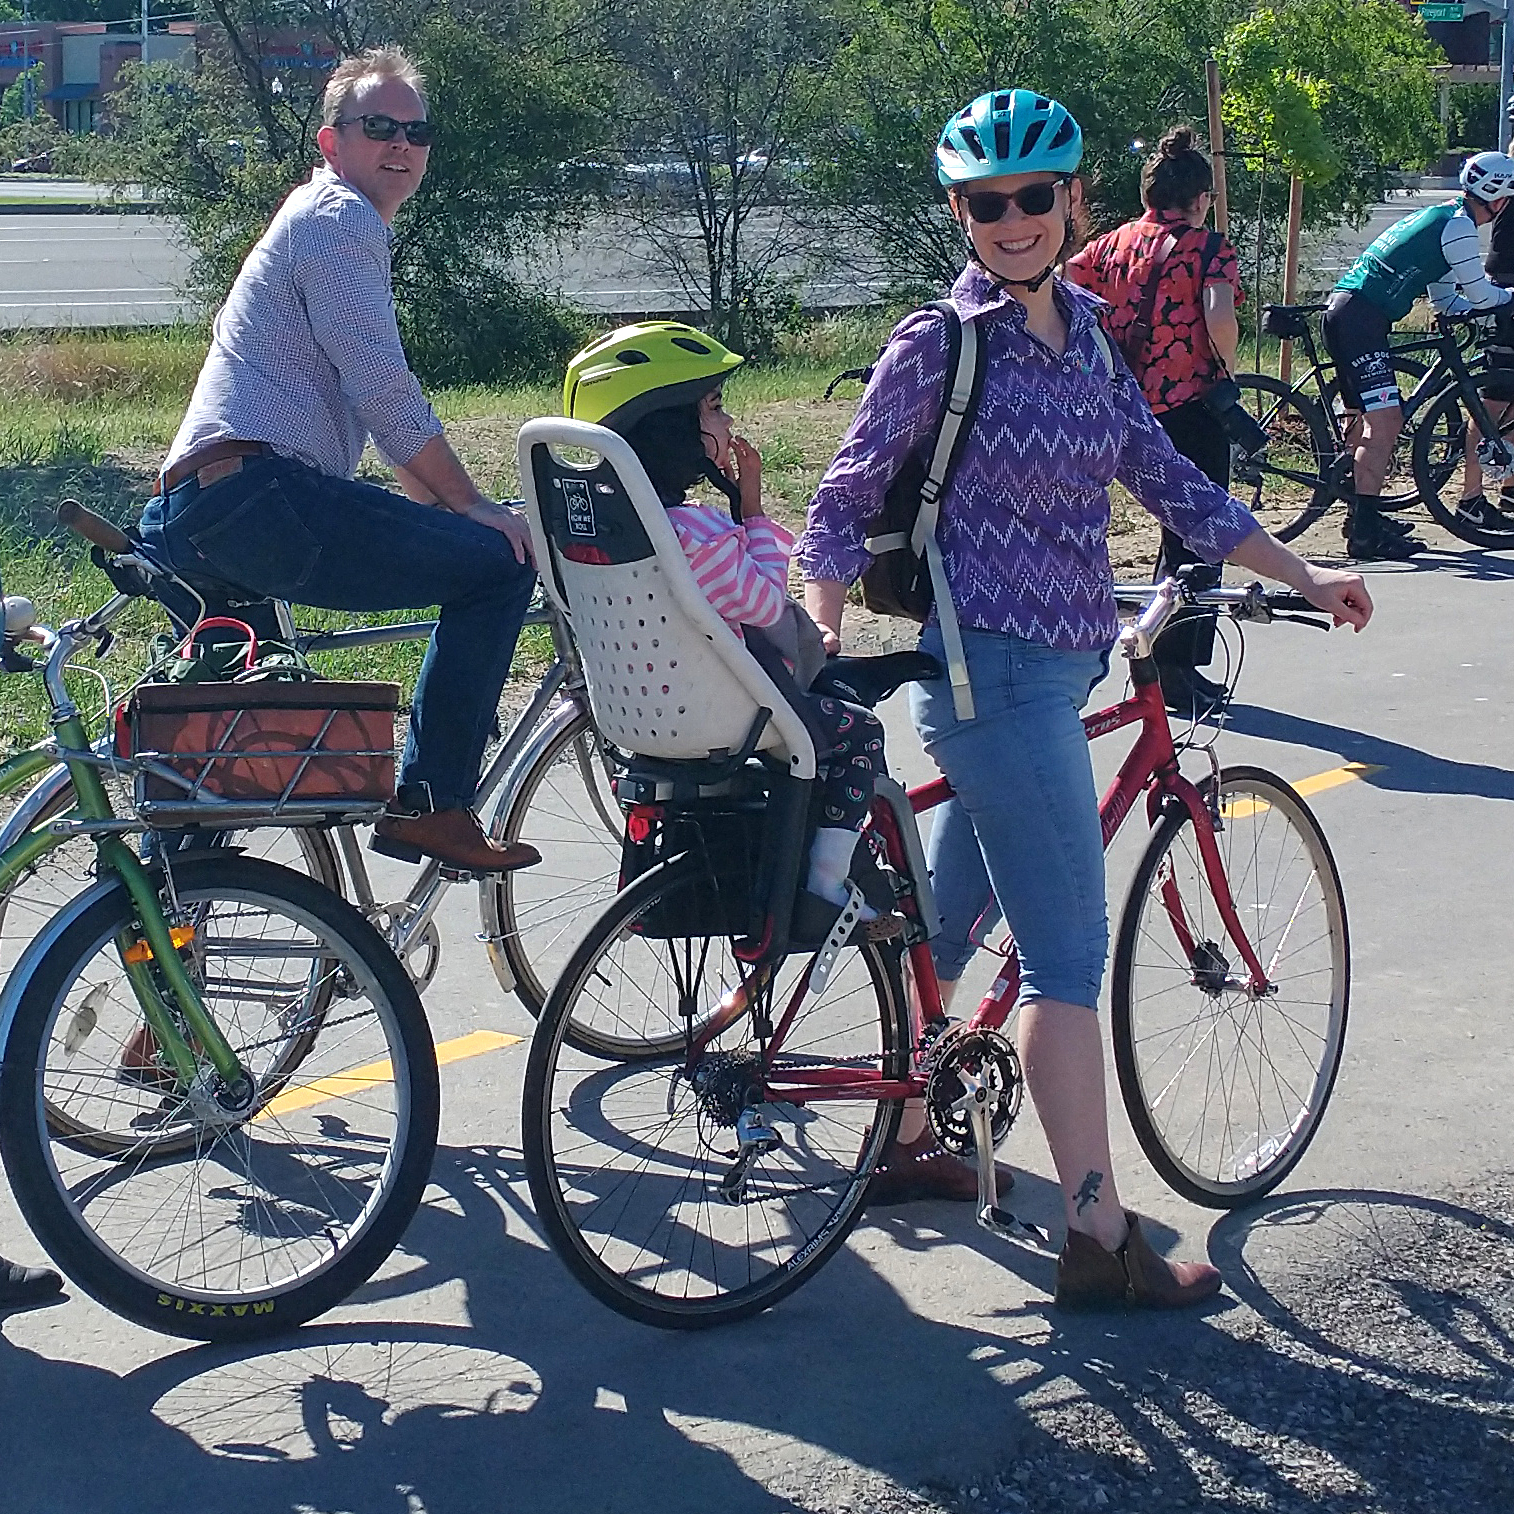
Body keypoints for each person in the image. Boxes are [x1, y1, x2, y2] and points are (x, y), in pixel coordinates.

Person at [798, 88, 1373, 1309]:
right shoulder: (939, 342)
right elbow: (841, 496)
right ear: (960, 211)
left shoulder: (1088, 335)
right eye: (982, 203)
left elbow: (1166, 478)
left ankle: (911, 1137)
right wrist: (816, 615)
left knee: (950, 932)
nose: (1008, 221)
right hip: (991, 672)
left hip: (1056, 665)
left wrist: (1301, 570)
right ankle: (1099, 1235)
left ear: (1073, 202)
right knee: (1067, 955)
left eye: (1031, 197)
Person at [137, 47, 539, 875]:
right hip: (258, 501)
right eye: (378, 127)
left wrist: (430, 503)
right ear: (332, 141)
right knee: (496, 567)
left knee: (231, 760)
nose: (400, 144)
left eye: (415, 130)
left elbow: (370, 408)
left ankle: (159, 947)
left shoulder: (320, 222)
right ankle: (434, 804)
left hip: (195, 516)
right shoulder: (340, 220)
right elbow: (385, 390)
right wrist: (476, 511)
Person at [562, 323, 888, 930]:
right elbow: (766, 605)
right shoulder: (698, 535)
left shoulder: (608, 533)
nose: (729, 421)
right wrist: (753, 513)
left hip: (635, 714)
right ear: (668, 426)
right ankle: (826, 877)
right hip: (723, 713)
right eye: (714, 405)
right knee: (858, 734)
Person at [1065, 126, 1247, 716]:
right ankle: (1175, 667)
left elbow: (1063, 287)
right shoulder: (1208, 247)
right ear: (1200, 198)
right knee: (1198, 534)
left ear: (1148, 195)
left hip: (1120, 404)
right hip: (1186, 406)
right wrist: (1229, 368)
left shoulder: (1110, 246)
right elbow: (1219, 317)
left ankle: (1147, 657)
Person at [1322, 150, 1514, 558]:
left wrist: (1474, 308)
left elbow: (1447, 300)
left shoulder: (1447, 216)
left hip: (1353, 313)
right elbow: (1481, 294)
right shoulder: (1459, 227)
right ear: (1497, 198)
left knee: (1366, 422)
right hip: (1361, 319)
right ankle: (1365, 537)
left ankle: (1363, 515)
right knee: (1386, 424)